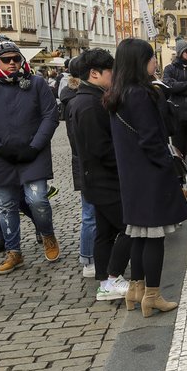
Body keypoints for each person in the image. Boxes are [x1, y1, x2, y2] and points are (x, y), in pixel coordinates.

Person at [107, 38, 187, 317]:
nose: (156, 62)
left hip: (131, 175)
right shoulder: (141, 94)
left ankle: (135, 289)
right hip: (149, 174)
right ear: (139, 62)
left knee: (139, 234)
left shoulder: (117, 94)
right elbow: (151, 138)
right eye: (151, 57)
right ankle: (152, 295)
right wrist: (167, 164)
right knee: (153, 237)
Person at [0, 36, 62, 275]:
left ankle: (47, 234)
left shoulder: (37, 83)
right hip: (1, 156)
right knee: (7, 205)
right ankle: (14, 252)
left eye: (16, 59)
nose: (12, 63)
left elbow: (50, 116)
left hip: (33, 153)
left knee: (38, 200)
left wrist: (34, 146)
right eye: (6, 59)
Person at [66, 49, 133, 303]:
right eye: (110, 72)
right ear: (94, 74)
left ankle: (106, 282)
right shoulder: (90, 104)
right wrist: (126, 165)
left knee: (104, 232)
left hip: (97, 179)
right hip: (106, 179)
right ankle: (113, 277)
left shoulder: (88, 99)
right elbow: (101, 148)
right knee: (131, 228)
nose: (114, 76)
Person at [59, 60, 95, 278]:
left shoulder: (71, 97)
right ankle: (88, 258)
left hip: (82, 163)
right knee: (90, 214)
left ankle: (90, 256)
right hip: (86, 163)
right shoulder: (77, 101)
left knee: (90, 213)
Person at [162, 36, 187, 197]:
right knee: (179, 152)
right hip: (177, 116)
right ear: (180, 53)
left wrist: (181, 88)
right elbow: (169, 87)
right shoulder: (170, 69)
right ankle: (179, 181)